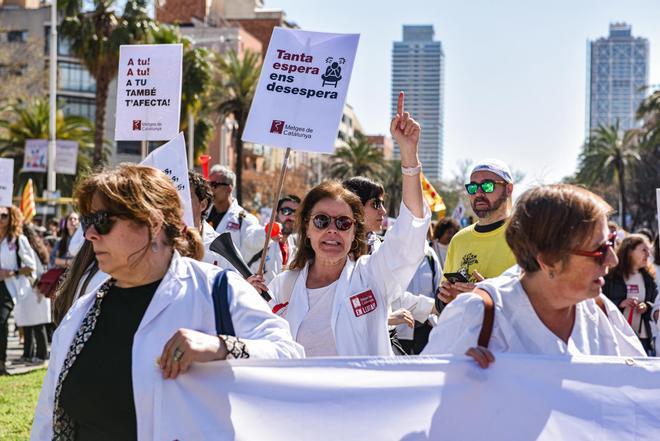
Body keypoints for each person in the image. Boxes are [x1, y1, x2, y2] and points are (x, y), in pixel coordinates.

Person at [31, 164, 303, 440]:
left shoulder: (218, 291)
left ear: (153, 223)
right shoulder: (83, 311)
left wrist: (222, 347)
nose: (90, 234)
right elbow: (46, 420)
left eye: (102, 221)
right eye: (87, 221)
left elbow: (290, 356)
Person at [260, 92, 431, 356]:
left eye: (343, 223)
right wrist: (248, 299)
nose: (332, 230)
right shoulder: (283, 286)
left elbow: (410, 231)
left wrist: (409, 154)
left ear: (355, 232)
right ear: (307, 229)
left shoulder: (372, 277)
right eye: (321, 221)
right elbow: (258, 345)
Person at [423, 184, 646, 367]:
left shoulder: (601, 311)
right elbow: (423, 394)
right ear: (548, 260)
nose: (612, 260)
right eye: (599, 249)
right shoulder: (476, 315)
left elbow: (643, 388)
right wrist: (455, 378)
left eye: (611, 243)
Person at [342, 176, 441, 355]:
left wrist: (439, 305)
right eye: (376, 204)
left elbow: (390, 295)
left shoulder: (377, 246)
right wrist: (384, 318)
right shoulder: (336, 253)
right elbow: (336, 307)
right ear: (354, 206)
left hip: (381, 345)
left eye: (382, 204)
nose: (383, 211)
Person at [438, 159, 517, 305]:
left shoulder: (525, 236)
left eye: (487, 186)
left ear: (508, 189)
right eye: (473, 187)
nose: (479, 193)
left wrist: (490, 293)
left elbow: (541, 299)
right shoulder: (459, 239)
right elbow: (442, 296)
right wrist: (447, 299)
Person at [603, 234, 658, 355]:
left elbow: (655, 304)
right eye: (644, 250)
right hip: (618, 335)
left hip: (643, 337)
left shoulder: (649, 278)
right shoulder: (611, 277)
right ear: (629, 252)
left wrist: (646, 306)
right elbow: (600, 302)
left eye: (648, 250)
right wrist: (620, 303)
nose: (648, 254)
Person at [0, 206, 36, 375]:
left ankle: (1, 363)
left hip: (8, 288)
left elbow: (30, 266)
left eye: (4, 216)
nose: (0, 219)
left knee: (1, 322)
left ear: (11, 218)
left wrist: (11, 272)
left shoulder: (18, 240)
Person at [242, 195, 301, 283]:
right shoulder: (261, 236)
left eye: (296, 213)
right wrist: (270, 232)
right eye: (286, 211)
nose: (292, 217)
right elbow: (251, 237)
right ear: (275, 214)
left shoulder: (294, 246)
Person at [16, 224, 51, 364]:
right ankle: (28, 354)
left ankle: (42, 355)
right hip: (31, 290)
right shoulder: (33, 247)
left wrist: (36, 288)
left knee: (37, 324)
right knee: (28, 323)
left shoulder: (29, 249)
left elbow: (34, 271)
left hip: (35, 290)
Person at [206, 165, 259, 255]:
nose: (210, 189)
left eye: (214, 185)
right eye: (208, 184)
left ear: (229, 188)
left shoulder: (245, 221)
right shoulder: (202, 215)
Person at [188, 170, 232, 268]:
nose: (182, 202)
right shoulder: (164, 243)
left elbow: (237, 277)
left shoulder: (222, 247)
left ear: (203, 205)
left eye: (187, 197)